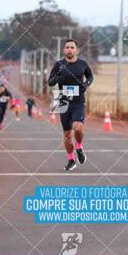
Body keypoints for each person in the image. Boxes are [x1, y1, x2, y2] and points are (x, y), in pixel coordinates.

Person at [47, 39, 94, 171]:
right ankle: (71, 159)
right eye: (67, 47)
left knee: (77, 128)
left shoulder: (82, 64)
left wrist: (86, 84)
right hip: (63, 101)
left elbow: (90, 77)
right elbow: (50, 82)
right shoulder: (59, 65)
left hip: (78, 101)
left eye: (72, 47)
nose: (69, 50)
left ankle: (79, 147)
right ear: (64, 50)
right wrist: (58, 77)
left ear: (76, 50)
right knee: (67, 134)